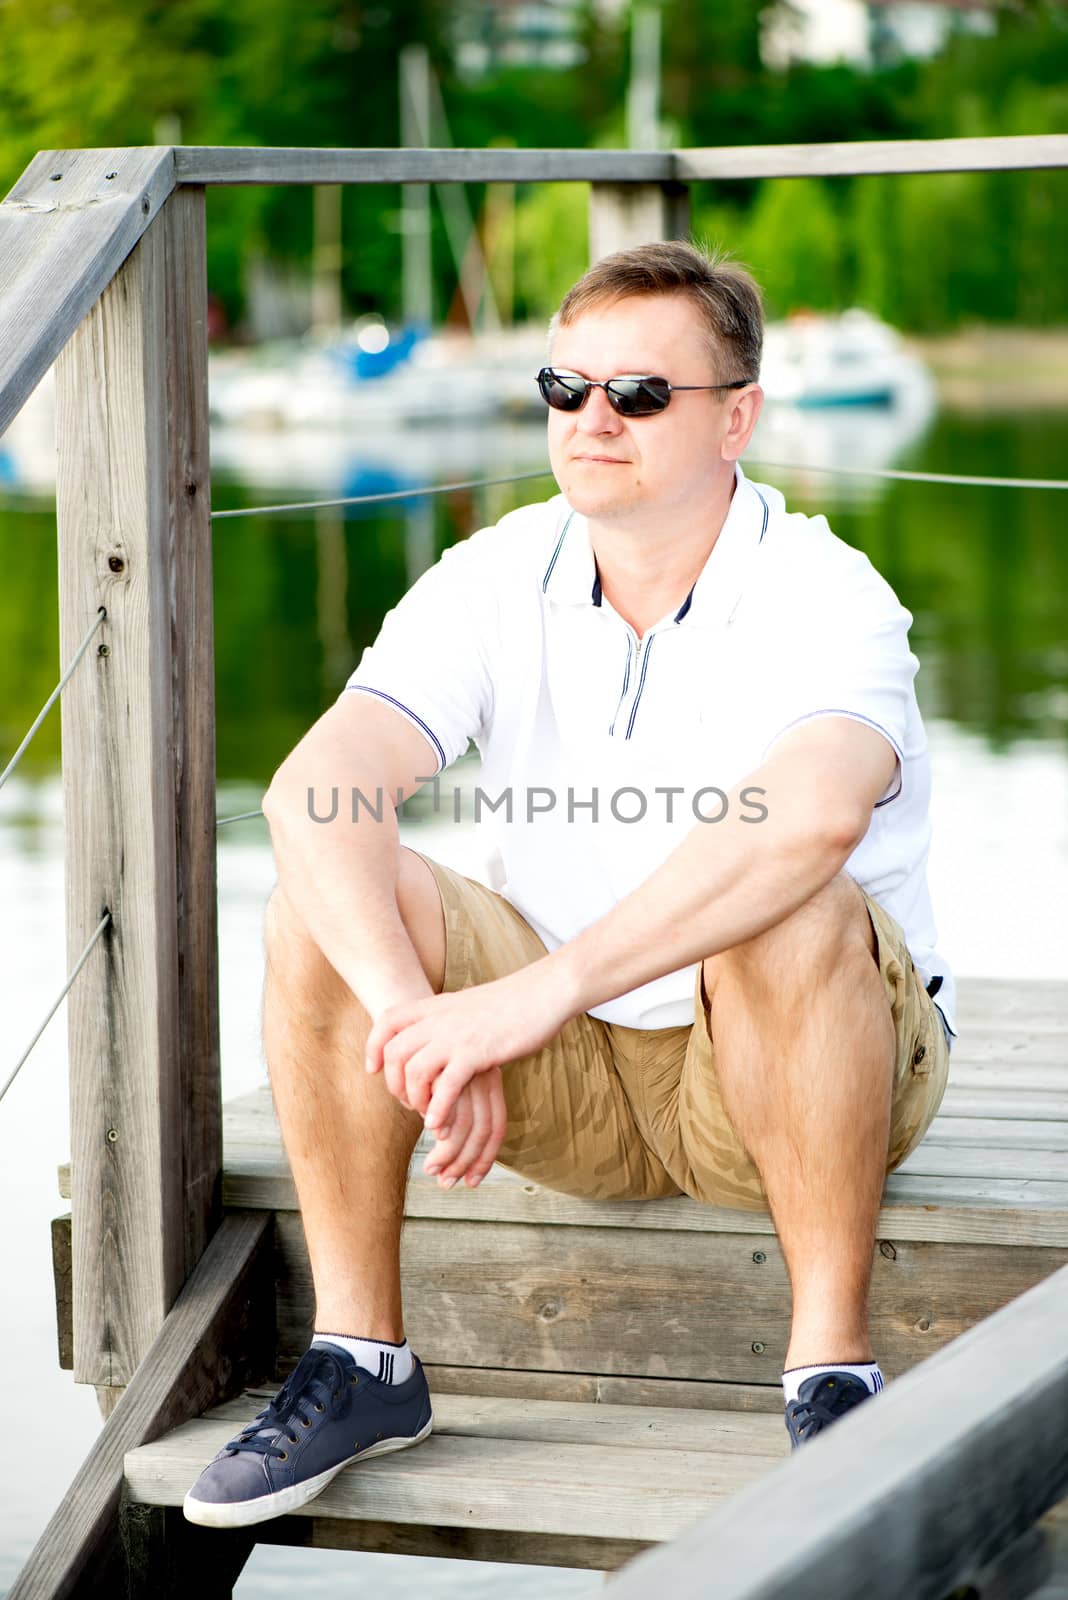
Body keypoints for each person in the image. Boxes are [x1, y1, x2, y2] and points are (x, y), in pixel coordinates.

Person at [184, 240, 955, 1530]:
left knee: (791, 899)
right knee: (318, 900)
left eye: (642, 394)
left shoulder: (825, 587)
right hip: (577, 1075)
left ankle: (832, 1372)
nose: (594, 420)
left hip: (788, 1066)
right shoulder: (499, 572)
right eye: (566, 386)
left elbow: (814, 816)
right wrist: (417, 1018)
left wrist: (531, 994)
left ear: (737, 418)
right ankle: (365, 1360)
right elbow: (320, 785)